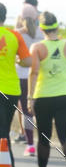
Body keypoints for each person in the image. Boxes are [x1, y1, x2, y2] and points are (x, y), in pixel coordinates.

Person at [28, 11, 66, 167]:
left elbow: (33, 73)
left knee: (44, 138)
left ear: (41, 28)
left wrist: (30, 98)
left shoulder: (37, 48)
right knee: (65, 136)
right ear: (57, 26)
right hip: (65, 96)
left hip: (43, 97)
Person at [0, 2, 32, 167]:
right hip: (12, 90)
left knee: (2, 133)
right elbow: (27, 61)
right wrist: (15, 60)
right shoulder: (14, 35)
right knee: (3, 129)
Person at [15, 14, 41, 155]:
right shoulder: (41, 33)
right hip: (39, 77)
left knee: (25, 111)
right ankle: (39, 141)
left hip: (22, 76)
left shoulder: (17, 34)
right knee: (34, 111)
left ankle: (30, 144)